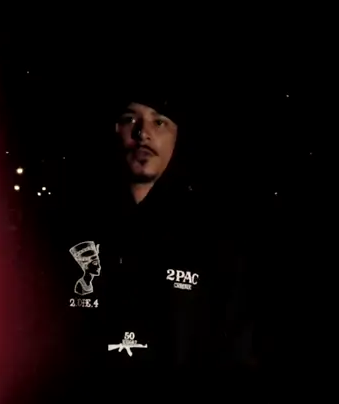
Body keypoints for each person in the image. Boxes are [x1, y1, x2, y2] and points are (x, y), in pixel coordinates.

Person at [34, 90, 254, 402]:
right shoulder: (64, 228)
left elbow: (236, 355)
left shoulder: (214, 240)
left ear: (178, 136)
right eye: (130, 119)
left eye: (159, 122)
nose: (142, 133)